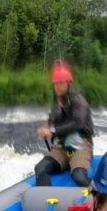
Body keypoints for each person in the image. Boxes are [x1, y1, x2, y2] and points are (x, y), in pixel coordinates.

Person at [34, 59, 94, 188]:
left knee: (78, 175)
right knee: (40, 168)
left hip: (80, 143)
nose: (58, 86)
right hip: (62, 146)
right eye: (55, 83)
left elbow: (78, 123)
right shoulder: (56, 103)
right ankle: (45, 199)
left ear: (68, 83)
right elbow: (53, 124)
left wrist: (52, 130)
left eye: (61, 83)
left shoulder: (78, 100)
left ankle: (99, 196)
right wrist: (48, 129)